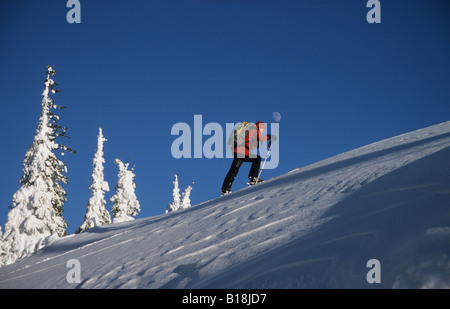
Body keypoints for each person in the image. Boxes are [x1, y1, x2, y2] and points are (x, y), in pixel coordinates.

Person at [221, 121, 275, 195]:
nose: (263, 131)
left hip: (243, 153)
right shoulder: (254, 130)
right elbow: (261, 138)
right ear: (260, 127)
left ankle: (253, 178)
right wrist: (270, 136)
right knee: (234, 170)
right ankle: (225, 190)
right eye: (262, 129)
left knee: (257, 159)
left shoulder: (252, 131)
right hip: (240, 152)